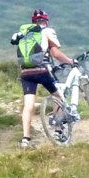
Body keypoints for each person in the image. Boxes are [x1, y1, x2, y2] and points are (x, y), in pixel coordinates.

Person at [11, 9, 77, 149]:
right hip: (42, 70)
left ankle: (25, 139)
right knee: (58, 96)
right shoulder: (47, 31)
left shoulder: (25, 34)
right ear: (46, 21)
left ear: (33, 22)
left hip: (26, 73)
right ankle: (58, 130)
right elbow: (56, 53)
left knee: (28, 105)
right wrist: (70, 61)